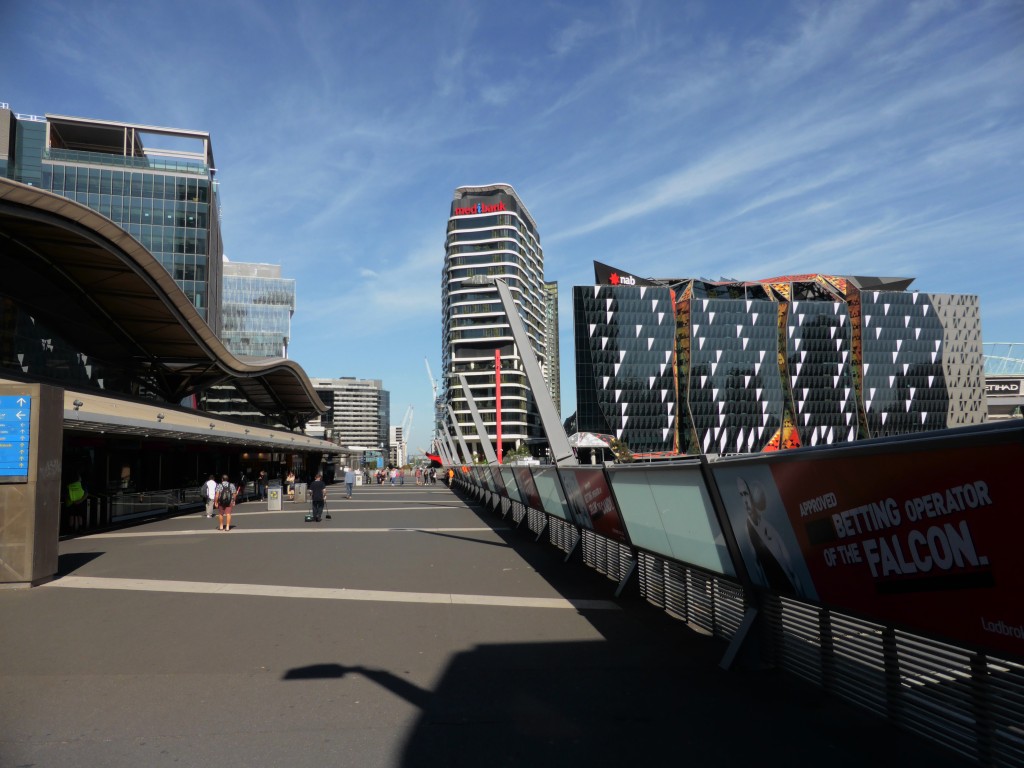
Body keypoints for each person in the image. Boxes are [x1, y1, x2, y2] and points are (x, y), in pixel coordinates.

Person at [736, 476, 804, 597]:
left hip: (790, 593)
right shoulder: (748, 528)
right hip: (775, 597)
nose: (744, 500)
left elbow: (792, 572)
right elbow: (758, 569)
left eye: (746, 494)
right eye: (741, 495)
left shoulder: (771, 529)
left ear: (753, 495)